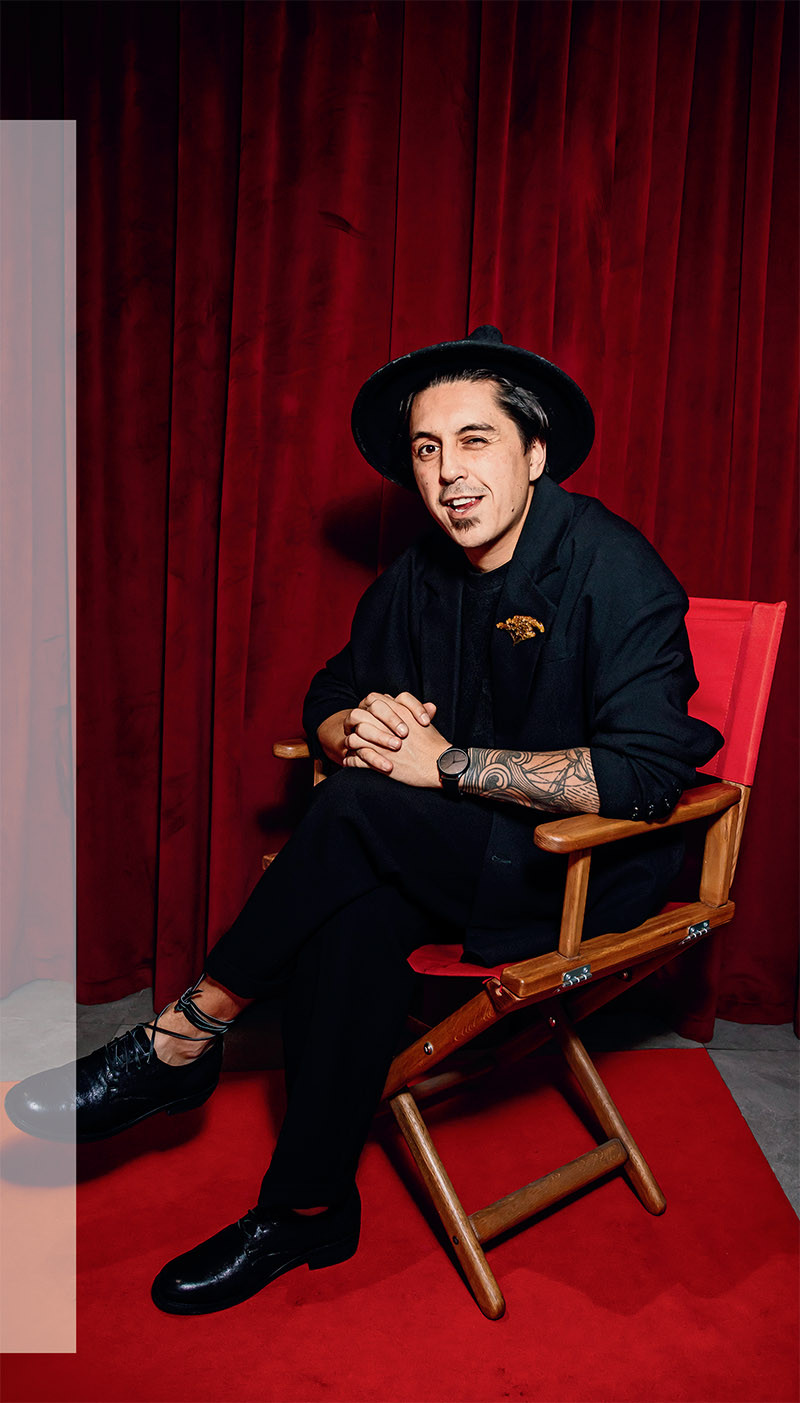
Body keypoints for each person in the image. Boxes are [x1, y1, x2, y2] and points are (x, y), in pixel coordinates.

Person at [5, 326, 722, 1316]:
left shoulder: (614, 566)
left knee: (351, 814)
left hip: (575, 874)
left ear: (533, 453)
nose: (448, 471)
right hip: (447, 850)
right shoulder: (421, 574)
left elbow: (648, 775)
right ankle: (305, 1207)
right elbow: (330, 691)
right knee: (349, 909)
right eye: (427, 448)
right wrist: (356, 728)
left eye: (474, 440)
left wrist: (444, 762)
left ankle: (188, 1031)